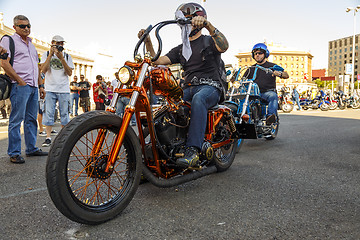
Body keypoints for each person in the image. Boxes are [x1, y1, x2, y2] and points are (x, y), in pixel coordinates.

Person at [138, 2, 229, 167]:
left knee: (199, 99)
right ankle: (162, 152)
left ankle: (193, 150)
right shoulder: (181, 49)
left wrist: (208, 25)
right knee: (166, 109)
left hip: (210, 87)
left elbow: (224, 46)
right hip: (187, 89)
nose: (187, 23)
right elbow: (157, 61)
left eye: (190, 19)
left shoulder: (209, 41)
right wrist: (148, 41)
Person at [0, 15, 48, 163]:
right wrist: (19, 80)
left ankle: (31, 148)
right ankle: (14, 152)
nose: (26, 28)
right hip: (20, 85)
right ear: (15, 27)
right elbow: (4, 62)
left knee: (31, 119)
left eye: (28, 26)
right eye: (22, 26)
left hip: (33, 87)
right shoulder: (9, 40)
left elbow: (37, 68)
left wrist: (40, 85)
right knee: (16, 119)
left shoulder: (32, 45)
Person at [40, 35, 74, 147]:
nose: (60, 45)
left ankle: (64, 139)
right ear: (52, 43)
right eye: (57, 43)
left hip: (63, 89)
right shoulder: (45, 54)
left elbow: (69, 73)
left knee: (64, 114)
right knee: (48, 113)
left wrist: (61, 58)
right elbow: (43, 70)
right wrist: (50, 55)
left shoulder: (67, 56)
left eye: (61, 43)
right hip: (50, 88)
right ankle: (48, 137)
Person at [246, 43, 289, 125]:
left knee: (272, 96)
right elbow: (242, 80)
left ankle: (270, 117)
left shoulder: (272, 66)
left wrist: (279, 74)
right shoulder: (250, 69)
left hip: (266, 93)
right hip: (253, 94)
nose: (257, 55)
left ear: (265, 54)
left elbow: (286, 75)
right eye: (255, 53)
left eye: (260, 53)